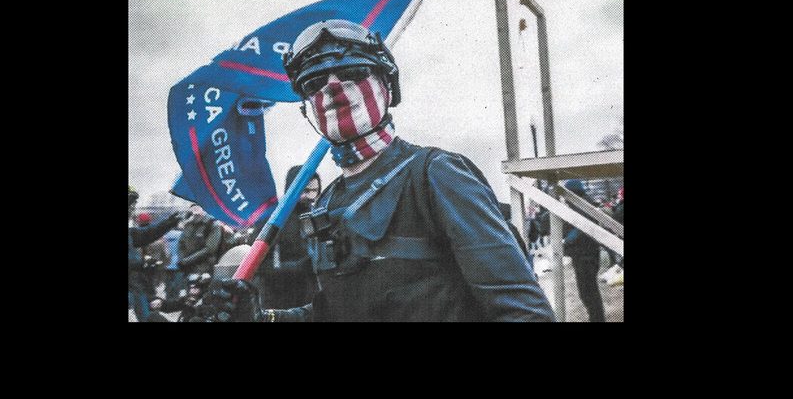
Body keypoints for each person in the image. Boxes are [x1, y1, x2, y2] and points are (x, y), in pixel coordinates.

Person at [201, 19, 555, 322]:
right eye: (314, 82)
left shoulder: (436, 174)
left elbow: (524, 311)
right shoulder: (328, 202)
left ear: (387, 88)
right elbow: (334, 314)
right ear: (308, 106)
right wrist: (263, 317)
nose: (332, 86)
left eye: (353, 73)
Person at [252, 166, 321, 309]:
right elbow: (259, 263)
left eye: (316, 191)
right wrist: (296, 268)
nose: (312, 196)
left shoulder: (316, 215)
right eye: (306, 191)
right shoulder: (273, 218)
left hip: (308, 293)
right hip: (278, 294)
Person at [129, 186, 185, 322]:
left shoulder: (130, 233)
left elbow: (147, 234)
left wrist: (169, 223)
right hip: (133, 285)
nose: (132, 210)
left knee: (149, 317)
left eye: (133, 206)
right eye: (130, 205)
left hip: (137, 285)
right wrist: (140, 264)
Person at [561, 179, 606, 322]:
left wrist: (566, 241)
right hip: (586, 253)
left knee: (588, 293)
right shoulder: (584, 203)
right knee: (589, 292)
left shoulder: (580, 205)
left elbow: (582, 227)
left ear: (572, 192)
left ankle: (597, 320)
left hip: (584, 255)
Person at [177, 204, 236, 277]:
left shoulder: (213, 225)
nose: (195, 209)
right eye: (193, 206)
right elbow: (181, 244)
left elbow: (210, 249)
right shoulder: (189, 225)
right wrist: (182, 259)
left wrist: (188, 260)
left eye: (198, 206)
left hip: (205, 267)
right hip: (188, 268)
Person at [146, 272, 213, 322]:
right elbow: (172, 306)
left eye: (196, 287)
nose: (192, 289)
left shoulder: (208, 302)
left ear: (203, 288)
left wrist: (195, 307)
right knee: (153, 316)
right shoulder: (188, 299)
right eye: (190, 286)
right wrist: (161, 303)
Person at [162, 216, 186, 300]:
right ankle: (175, 298)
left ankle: (168, 298)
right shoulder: (182, 234)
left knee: (168, 282)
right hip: (178, 262)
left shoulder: (164, 235)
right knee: (177, 282)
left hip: (167, 263)